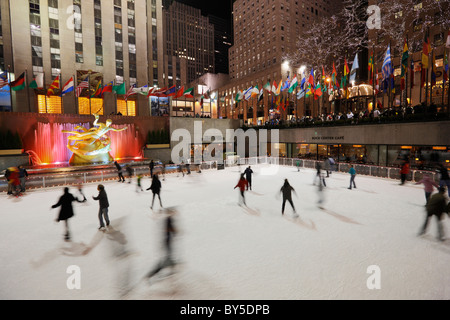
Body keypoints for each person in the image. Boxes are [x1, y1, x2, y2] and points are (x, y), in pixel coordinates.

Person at [146, 207, 178, 281]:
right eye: (173, 212)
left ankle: (172, 268)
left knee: (169, 256)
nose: (174, 213)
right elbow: (168, 229)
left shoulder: (169, 219)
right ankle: (151, 275)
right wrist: (175, 231)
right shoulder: (168, 219)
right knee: (165, 260)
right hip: (167, 242)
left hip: (168, 241)